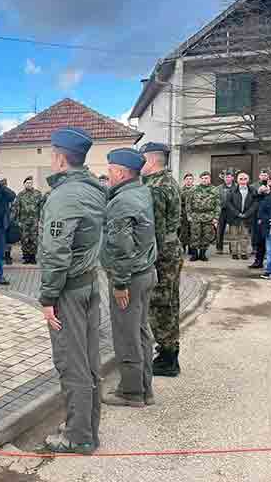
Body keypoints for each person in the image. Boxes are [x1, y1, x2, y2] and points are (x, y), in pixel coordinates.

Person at [39, 128, 106, 455]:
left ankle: (78, 436)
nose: (51, 159)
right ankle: (88, 427)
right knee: (90, 360)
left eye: (52, 154)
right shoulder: (94, 189)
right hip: (90, 283)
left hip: (68, 289)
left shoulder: (64, 195)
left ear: (61, 158)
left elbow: (56, 252)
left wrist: (48, 297)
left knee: (72, 363)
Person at [101, 148, 157, 408]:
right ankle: (145, 388)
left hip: (130, 278)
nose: (108, 174)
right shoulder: (141, 191)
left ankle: (131, 392)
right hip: (145, 272)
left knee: (126, 334)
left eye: (111, 170)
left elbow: (122, 247)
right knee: (142, 331)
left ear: (122, 173)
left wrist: (120, 282)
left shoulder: (121, 202)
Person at [140, 142, 183, 377]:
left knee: (160, 305)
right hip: (171, 249)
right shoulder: (170, 182)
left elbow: (153, 229)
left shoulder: (156, 187)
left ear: (152, 160)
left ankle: (168, 359)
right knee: (170, 302)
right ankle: (169, 352)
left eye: (142, 160)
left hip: (161, 254)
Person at [186, 172, 220, 262]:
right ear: (200, 179)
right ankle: (194, 254)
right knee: (194, 235)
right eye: (203, 178)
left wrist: (216, 217)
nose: (205, 180)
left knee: (206, 236)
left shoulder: (214, 190)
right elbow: (188, 203)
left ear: (209, 179)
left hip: (209, 216)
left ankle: (202, 254)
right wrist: (189, 215)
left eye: (206, 178)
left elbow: (218, 204)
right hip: (195, 216)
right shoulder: (194, 189)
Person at [225, 172, 258, 260]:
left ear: (248, 180)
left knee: (245, 236)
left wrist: (247, 213)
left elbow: (255, 203)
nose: (243, 181)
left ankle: (243, 253)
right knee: (233, 236)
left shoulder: (252, 190)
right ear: (237, 180)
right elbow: (228, 203)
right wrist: (237, 213)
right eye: (241, 179)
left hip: (247, 217)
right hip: (234, 217)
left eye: (245, 179)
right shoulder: (232, 190)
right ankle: (234, 253)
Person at [11, 176, 44, 264]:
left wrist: (42, 219)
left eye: (30, 183)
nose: (29, 184)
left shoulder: (38, 194)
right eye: (27, 183)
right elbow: (16, 208)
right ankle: (26, 257)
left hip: (34, 221)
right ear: (24, 184)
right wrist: (15, 220)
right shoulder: (20, 195)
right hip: (23, 221)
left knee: (33, 239)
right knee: (24, 239)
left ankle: (33, 257)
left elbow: (42, 208)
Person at [249, 169, 271, 268]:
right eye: (262, 175)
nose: (264, 177)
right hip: (259, 214)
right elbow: (251, 198)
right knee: (259, 238)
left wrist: (269, 191)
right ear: (259, 176)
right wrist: (258, 192)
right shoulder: (254, 186)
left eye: (266, 175)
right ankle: (258, 261)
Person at [216, 170, 236, 253]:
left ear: (232, 178)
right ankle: (219, 248)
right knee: (220, 230)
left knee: (233, 231)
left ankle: (232, 249)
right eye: (225, 177)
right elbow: (216, 200)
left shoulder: (236, 187)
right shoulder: (219, 188)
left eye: (229, 177)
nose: (227, 178)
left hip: (232, 211)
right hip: (222, 211)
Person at [180, 173, 195, 258]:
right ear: (184, 180)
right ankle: (183, 248)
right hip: (183, 214)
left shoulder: (195, 190)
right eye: (187, 179)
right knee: (183, 232)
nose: (189, 180)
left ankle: (191, 248)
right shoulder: (181, 190)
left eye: (190, 179)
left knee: (192, 232)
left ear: (193, 180)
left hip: (193, 214)